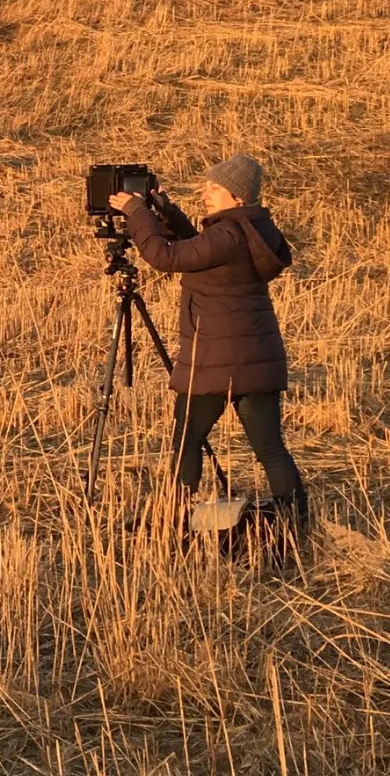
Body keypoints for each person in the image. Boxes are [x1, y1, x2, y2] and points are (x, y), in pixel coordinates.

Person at [107, 154, 309, 526]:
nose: (206, 192)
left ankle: (171, 518)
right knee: (269, 446)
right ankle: (297, 520)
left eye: (215, 187)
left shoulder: (228, 235)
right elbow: (199, 248)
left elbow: (164, 257)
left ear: (240, 197)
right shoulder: (249, 231)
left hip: (217, 360)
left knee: (187, 438)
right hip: (256, 358)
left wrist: (139, 214)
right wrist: (166, 212)